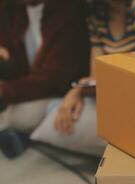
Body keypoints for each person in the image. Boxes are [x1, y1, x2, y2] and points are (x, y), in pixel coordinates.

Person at [53, 0, 135, 135]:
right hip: (116, 101)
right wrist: (76, 92)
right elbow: (96, 79)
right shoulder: (99, 15)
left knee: (54, 116)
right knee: (56, 110)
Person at [0, 0, 90, 158]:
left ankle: (19, 131)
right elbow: (15, 65)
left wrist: (3, 92)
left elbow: (53, 78)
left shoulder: (67, 10)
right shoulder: (12, 9)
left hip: (60, 93)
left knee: (21, 114)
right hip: (29, 89)